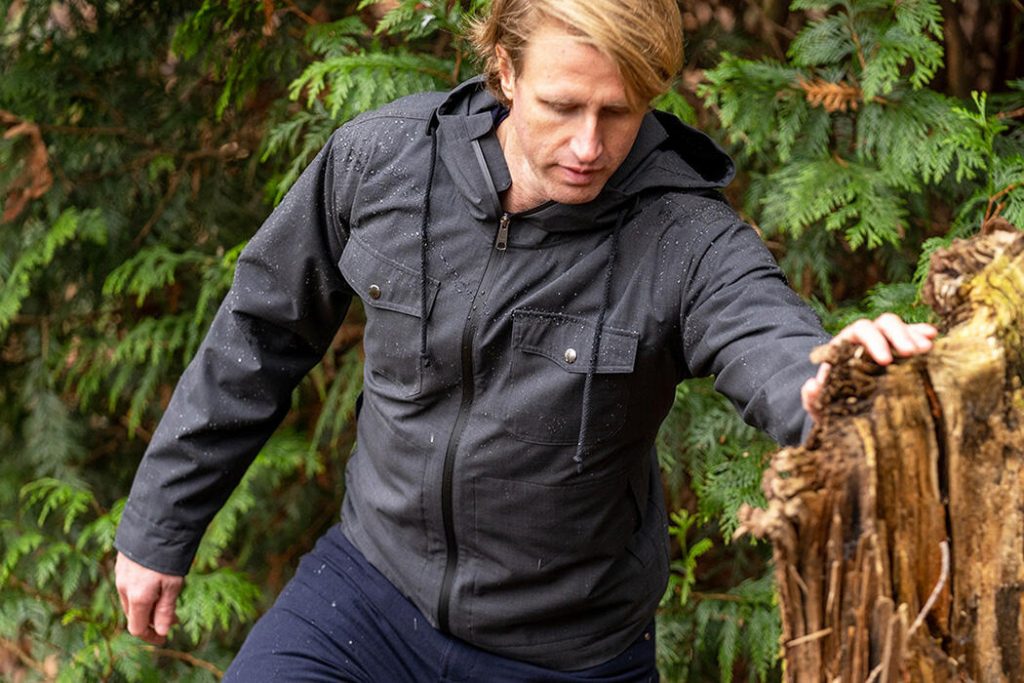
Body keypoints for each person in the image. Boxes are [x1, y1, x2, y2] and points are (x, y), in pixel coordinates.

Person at [113, 0, 937, 679]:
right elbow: (260, 331)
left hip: (568, 652)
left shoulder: (685, 238)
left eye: (618, 112)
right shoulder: (383, 161)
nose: (588, 146)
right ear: (505, 72)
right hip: (365, 596)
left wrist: (845, 381)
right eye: (563, 106)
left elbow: (771, 340)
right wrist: (160, 523)